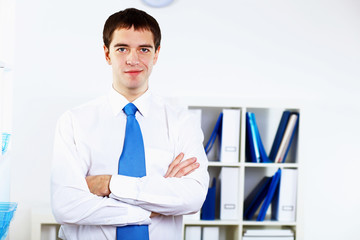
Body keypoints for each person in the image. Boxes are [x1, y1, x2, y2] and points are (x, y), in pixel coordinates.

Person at [51, 8, 209, 240]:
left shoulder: (181, 122)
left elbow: (193, 197)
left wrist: (109, 184)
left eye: (144, 49)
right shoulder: (74, 121)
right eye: (122, 48)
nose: (133, 59)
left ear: (156, 55)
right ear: (107, 54)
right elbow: (66, 206)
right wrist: (157, 198)